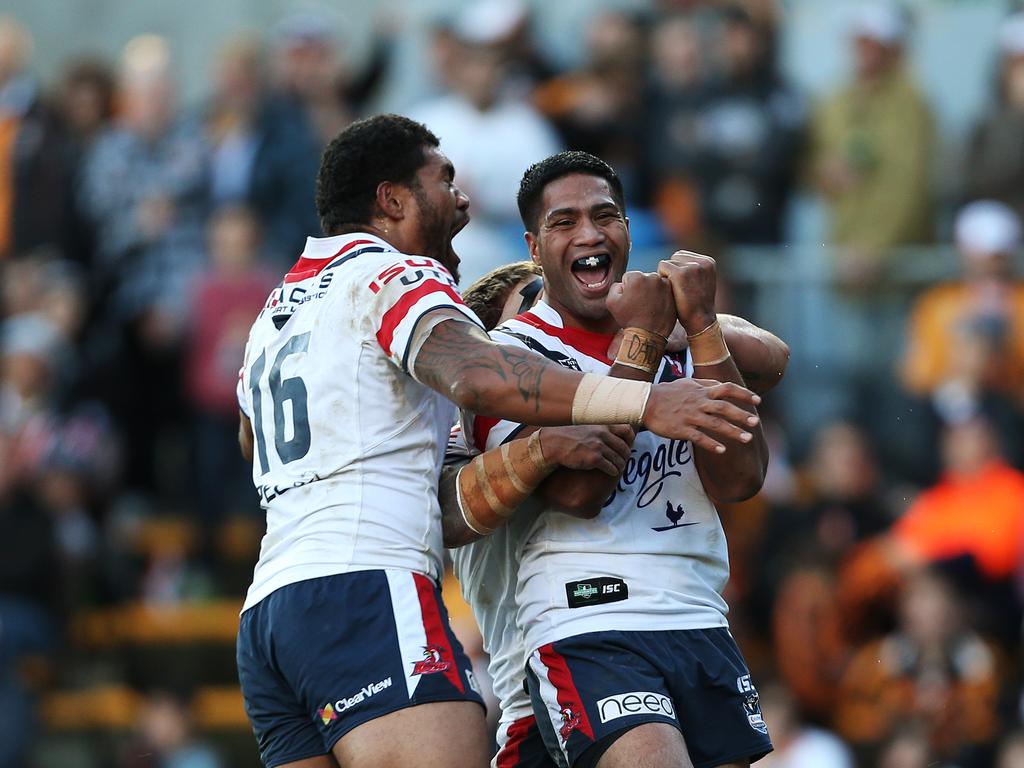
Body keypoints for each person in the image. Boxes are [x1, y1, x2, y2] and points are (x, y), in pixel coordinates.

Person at [234, 115, 762, 768]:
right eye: (444, 181)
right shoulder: (394, 278)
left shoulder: (280, 309)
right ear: (392, 201)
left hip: (274, 607)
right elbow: (480, 377)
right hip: (370, 589)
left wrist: (695, 328)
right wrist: (647, 397)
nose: (461, 200)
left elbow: (252, 439)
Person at [457, 150, 777, 768]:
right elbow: (577, 494)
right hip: (587, 616)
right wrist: (644, 345)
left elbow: (741, 480)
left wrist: (705, 323)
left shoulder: (681, 332)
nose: (589, 233)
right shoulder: (509, 356)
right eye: (564, 221)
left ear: (630, 229)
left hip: (697, 611)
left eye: (606, 215)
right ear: (533, 244)